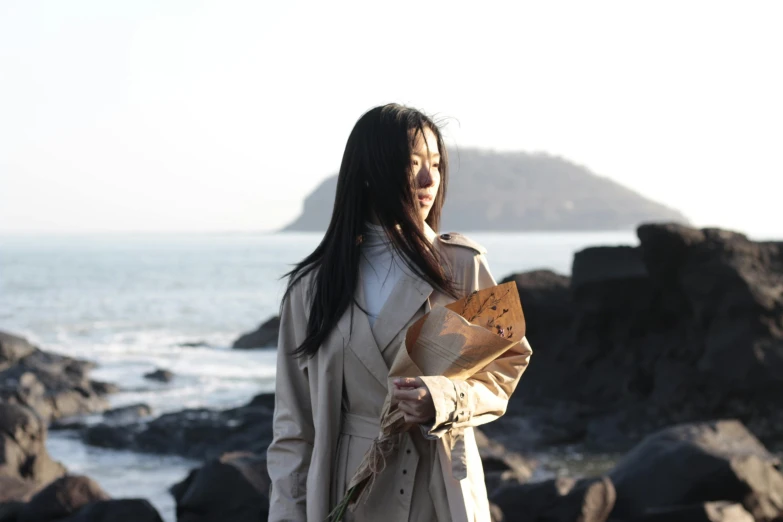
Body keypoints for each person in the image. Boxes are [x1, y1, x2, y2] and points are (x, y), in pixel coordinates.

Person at [266, 103, 533, 522]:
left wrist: (445, 400)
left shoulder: (462, 266)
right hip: (346, 487)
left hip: (438, 485)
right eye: (413, 165)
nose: (430, 180)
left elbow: (506, 368)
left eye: (437, 164)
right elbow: (293, 431)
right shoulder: (311, 288)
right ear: (370, 172)